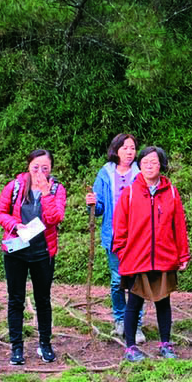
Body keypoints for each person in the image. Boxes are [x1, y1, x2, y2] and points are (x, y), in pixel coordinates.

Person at [111, 146, 190, 362]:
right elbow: (120, 226)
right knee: (134, 303)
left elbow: (179, 227)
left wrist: (183, 255)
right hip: (137, 258)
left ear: (161, 165)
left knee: (163, 302)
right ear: (139, 165)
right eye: (144, 162)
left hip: (164, 257)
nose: (148, 165)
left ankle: (166, 344)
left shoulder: (171, 193)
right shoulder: (130, 192)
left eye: (153, 162)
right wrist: (121, 252)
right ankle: (130, 348)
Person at [0, 149, 67, 365]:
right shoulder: (15, 186)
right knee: (15, 299)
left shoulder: (56, 189)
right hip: (16, 250)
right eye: (36, 167)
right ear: (28, 166)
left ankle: (45, 343)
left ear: (51, 168)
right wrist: (15, 225)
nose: (39, 172)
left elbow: (55, 217)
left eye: (45, 168)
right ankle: (17, 347)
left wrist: (45, 193)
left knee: (43, 300)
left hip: (43, 252)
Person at [85, 133, 139, 333]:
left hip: (137, 237)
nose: (129, 152)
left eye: (132, 148)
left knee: (136, 281)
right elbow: (99, 208)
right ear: (116, 150)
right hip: (114, 235)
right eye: (125, 148)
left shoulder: (140, 174)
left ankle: (136, 324)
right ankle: (120, 320)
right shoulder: (105, 173)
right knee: (117, 280)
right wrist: (92, 202)